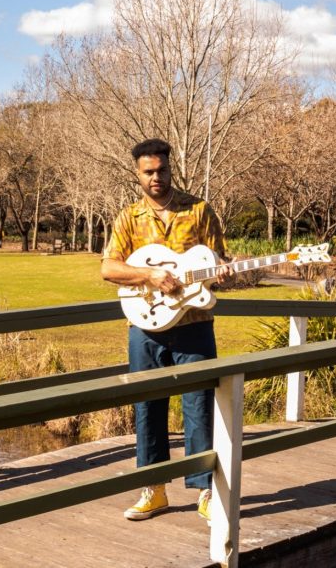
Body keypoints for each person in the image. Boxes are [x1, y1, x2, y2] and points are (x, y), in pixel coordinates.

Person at [101, 138, 234, 524]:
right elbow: (109, 268)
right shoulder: (128, 218)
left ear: (170, 169)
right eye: (148, 172)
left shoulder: (198, 211)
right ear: (137, 174)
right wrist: (149, 275)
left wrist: (224, 273)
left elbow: (220, 262)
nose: (155, 177)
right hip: (145, 326)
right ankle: (154, 489)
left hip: (194, 325)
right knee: (147, 407)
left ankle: (206, 491)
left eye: (161, 170)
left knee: (200, 407)